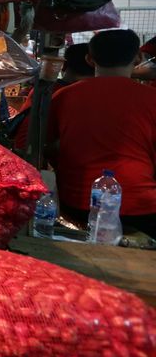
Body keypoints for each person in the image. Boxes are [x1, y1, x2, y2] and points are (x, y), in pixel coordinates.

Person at [46, 29, 156, 235]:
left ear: (89, 59)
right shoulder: (152, 98)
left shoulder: (64, 96)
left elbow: (45, 145)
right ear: (139, 57)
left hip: (77, 206)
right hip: (142, 207)